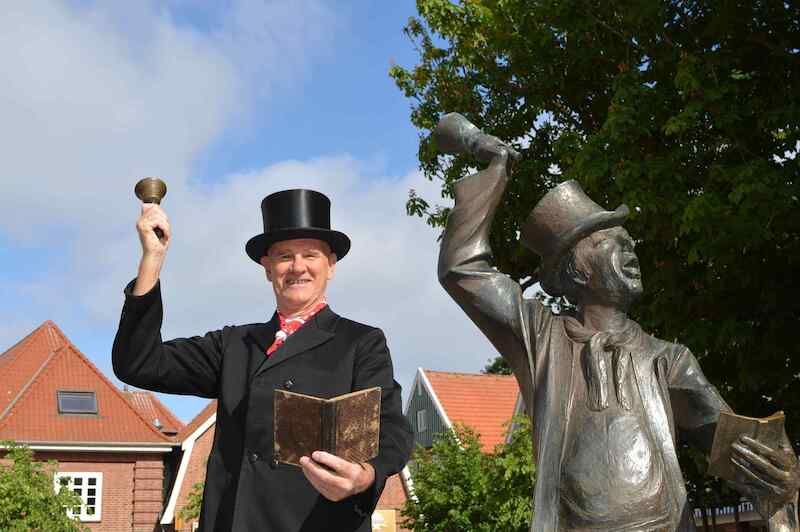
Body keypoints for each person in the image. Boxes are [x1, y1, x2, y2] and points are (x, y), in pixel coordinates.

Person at [436, 117, 800, 531]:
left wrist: (780, 477)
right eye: (614, 243)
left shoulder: (669, 359)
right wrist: (495, 169)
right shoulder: (541, 337)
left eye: (631, 244)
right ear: (576, 267)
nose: (631, 252)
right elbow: (462, 268)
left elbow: (739, 451)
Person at [113, 189, 412, 531]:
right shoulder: (234, 344)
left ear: (330, 265)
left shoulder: (361, 342)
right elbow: (137, 363)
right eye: (284, 256)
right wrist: (153, 258)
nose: (297, 266)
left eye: (310, 255)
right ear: (267, 268)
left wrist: (365, 477)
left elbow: (392, 429)